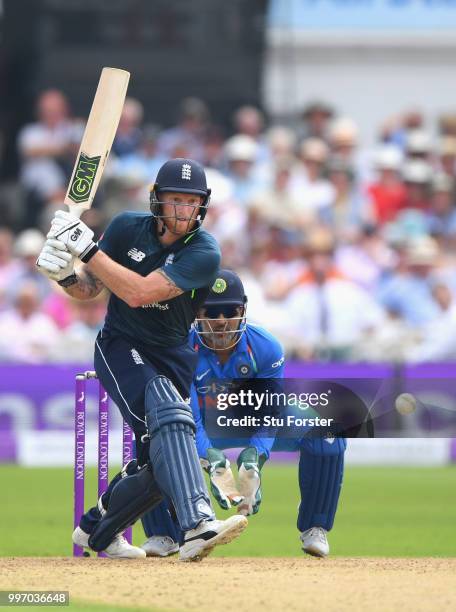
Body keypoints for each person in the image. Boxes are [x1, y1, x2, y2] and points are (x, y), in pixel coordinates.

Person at [36, 158, 247, 561]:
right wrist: (64, 275)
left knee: (157, 462)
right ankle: (198, 525)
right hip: (120, 345)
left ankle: (96, 531)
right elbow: (91, 289)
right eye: (175, 200)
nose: (184, 210)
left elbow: (140, 292)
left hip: (172, 355)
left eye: (192, 201)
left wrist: (87, 248)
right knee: (170, 414)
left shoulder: (204, 252)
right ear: (157, 200)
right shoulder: (124, 228)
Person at [141, 270, 346, 559]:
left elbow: (271, 410)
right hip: (207, 423)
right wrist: (212, 461)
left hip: (253, 419)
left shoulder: (265, 347)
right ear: (195, 312)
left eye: (230, 311)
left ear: (243, 311)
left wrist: (255, 457)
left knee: (326, 434)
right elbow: (190, 417)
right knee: (155, 435)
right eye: (211, 312)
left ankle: (315, 527)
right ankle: (164, 534)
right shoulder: (181, 348)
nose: (221, 321)